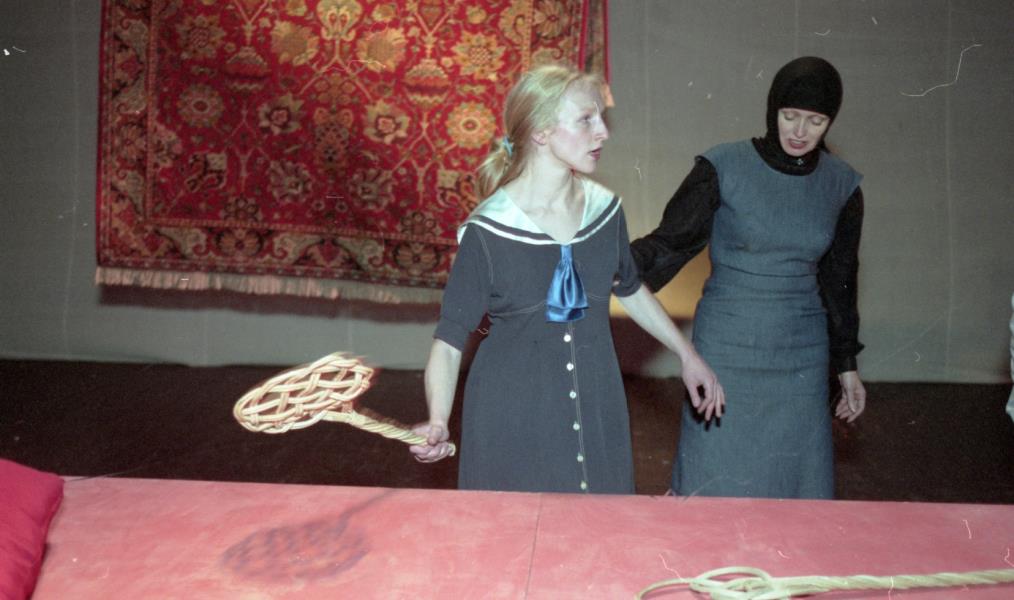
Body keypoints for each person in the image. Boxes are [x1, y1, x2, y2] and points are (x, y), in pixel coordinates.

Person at [409, 64, 724, 494]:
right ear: (541, 132)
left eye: (601, 119)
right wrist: (438, 420)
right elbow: (448, 342)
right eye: (586, 120)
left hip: (597, 407)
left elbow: (630, 288)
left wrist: (687, 355)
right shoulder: (488, 230)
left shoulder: (605, 211)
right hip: (513, 419)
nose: (603, 133)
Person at [630, 56, 867, 499]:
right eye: (790, 115)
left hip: (802, 356)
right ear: (773, 109)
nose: (800, 131)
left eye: (816, 121)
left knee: (796, 480)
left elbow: (840, 281)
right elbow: (671, 242)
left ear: (830, 122)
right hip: (728, 347)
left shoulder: (842, 185)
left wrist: (847, 365)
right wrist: (608, 264)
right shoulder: (723, 166)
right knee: (716, 474)